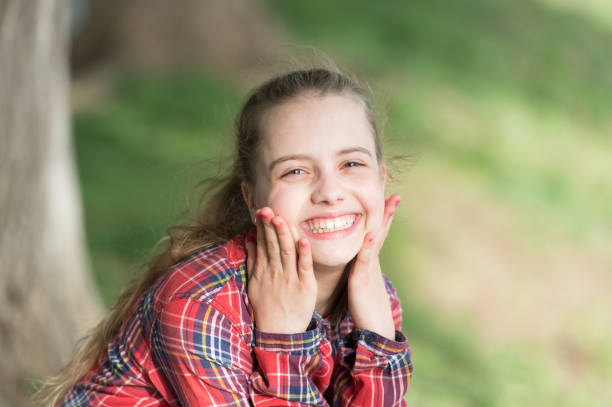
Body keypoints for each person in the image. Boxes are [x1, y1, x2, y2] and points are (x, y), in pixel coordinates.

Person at [38, 68, 413, 406]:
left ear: (380, 181)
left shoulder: (374, 300)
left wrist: (379, 338)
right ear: (252, 200)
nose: (330, 191)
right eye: (296, 171)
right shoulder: (199, 303)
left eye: (351, 164)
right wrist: (283, 343)